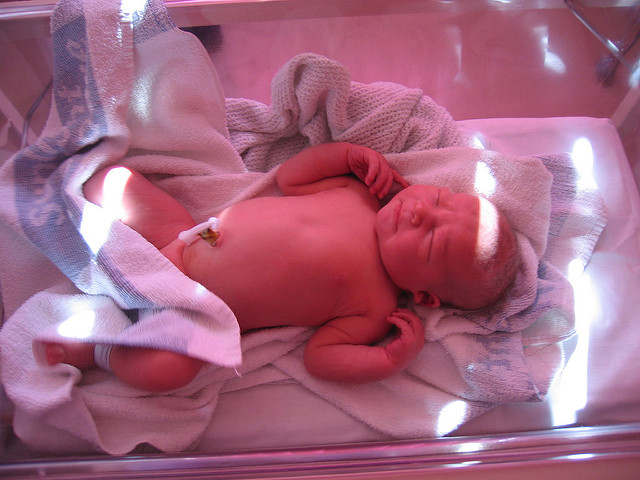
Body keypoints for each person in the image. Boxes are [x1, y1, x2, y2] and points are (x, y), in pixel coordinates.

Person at [43, 142, 519, 391]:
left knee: (168, 371)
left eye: (431, 237)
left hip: (196, 313)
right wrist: (346, 155)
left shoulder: (373, 309)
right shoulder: (358, 194)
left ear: (425, 296)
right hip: (182, 239)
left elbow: (321, 360)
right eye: (438, 199)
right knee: (114, 181)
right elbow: (290, 177)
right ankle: (55, 195)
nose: (420, 211)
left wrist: (390, 358)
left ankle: (100, 352)